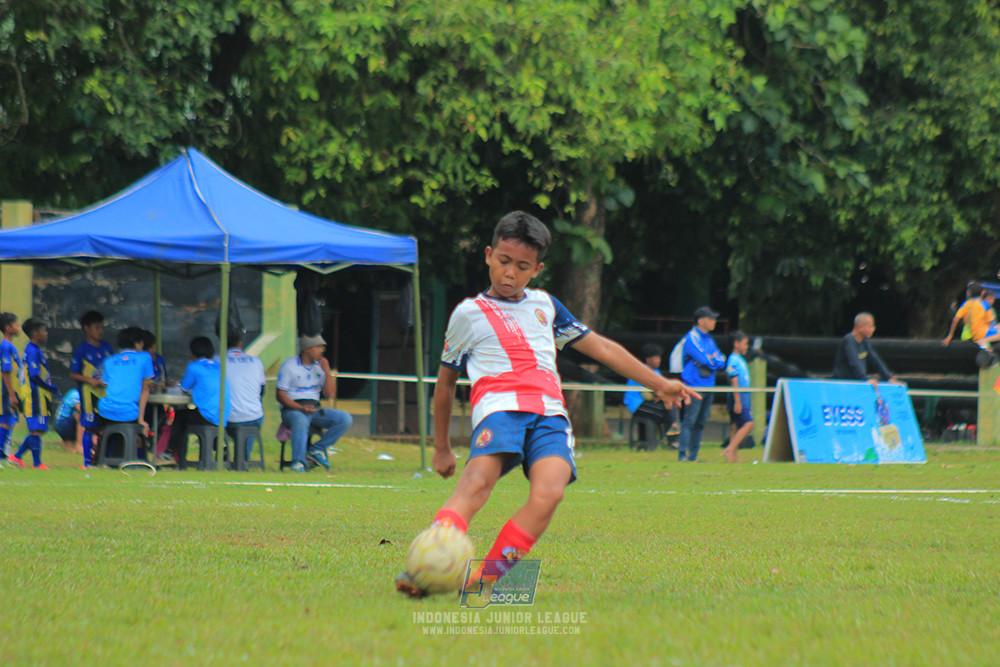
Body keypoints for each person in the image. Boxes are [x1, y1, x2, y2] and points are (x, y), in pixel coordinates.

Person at [395, 211, 698, 598]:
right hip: (500, 408)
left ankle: (481, 582)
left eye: (522, 267)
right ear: (488, 255)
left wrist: (659, 384)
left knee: (549, 493)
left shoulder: (546, 306)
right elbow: (445, 384)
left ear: (536, 270)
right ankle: (423, 568)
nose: (510, 273)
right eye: (503, 261)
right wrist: (440, 447)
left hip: (551, 415)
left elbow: (601, 348)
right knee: (477, 483)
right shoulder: (467, 314)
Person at [276, 334, 352, 472]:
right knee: (301, 421)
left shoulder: (320, 367)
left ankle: (318, 449)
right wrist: (300, 408)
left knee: (344, 419)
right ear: (307, 349)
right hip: (293, 409)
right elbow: (280, 395)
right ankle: (298, 462)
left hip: (314, 408)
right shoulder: (289, 366)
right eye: (318, 347)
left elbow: (330, 394)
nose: (321, 350)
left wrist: (327, 372)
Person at [165, 337, 230, 469]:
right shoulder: (219, 365)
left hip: (207, 415)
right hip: (223, 415)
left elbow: (183, 389)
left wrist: (168, 387)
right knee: (201, 421)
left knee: (181, 416)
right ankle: (219, 445)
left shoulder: (194, 366)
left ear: (193, 353)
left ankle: (170, 453)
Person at [93, 326, 155, 465]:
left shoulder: (110, 361)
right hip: (129, 412)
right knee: (129, 424)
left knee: (112, 427)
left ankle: (101, 459)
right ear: (138, 343)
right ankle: (125, 460)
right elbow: (145, 389)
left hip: (105, 410)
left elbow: (105, 384)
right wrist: (141, 419)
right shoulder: (144, 357)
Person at [676, 306, 726, 462]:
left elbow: (721, 360)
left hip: (708, 385)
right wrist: (710, 360)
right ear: (701, 321)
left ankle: (694, 456)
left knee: (701, 422)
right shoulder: (692, 338)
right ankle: (682, 454)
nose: (714, 322)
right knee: (689, 421)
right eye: (711, 319)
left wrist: (709, 360)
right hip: (694, 387)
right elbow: (704, 359)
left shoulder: (709, 339)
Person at [9, 319, 58, 469]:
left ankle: (16, 457)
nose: (46, 333)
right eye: (44, 330)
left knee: (39, 429)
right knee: (36, 429)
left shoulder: (33, 349)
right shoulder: (33, 351)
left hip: (37, 395)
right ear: (35, 333)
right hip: (34, 395)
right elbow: (35, 376)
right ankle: (37, 463)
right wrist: (50, 387)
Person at [69, 310, 114, 468]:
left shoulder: (107, 348)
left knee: (107, 426)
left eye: (102, 327)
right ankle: (87, 462)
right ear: (86, 328)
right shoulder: (82, 349)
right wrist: (90, 380)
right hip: (89, 394)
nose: (100, 331)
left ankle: (104, 459)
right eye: (97, 327)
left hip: (106, 394)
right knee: (89, 426)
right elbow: (73, 374)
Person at [223, 329, 267, 461]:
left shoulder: (218, 361)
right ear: (240, 344)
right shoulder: (256, 361)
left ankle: (222, 447)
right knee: (250, 423)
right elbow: (262, 391)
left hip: (228, 418)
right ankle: (243, 460)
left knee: (213, 419)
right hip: (254, 416)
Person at [622, 343, 680, 439]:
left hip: (650, 402)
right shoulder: (640, 370)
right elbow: (649, 390)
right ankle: (669, 439)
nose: (659, 360)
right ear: (648, 360)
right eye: (656, 358)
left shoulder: (656, 372)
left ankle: (671, 437)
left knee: (669, 408)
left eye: (659, 357)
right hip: (637, 404)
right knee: (665, 413)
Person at [832, 312, 903, 385]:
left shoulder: (864, 341)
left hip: (857, 383)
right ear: (860, 327)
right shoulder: (849, 341)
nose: (873, 329)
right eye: (870, 326)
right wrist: (864, 379)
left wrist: (889, 378)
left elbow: (875, 360)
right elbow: (854, 363)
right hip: (844, 383)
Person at [722, 331, 753, 464]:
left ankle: (732, 457)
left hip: (743, 396)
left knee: (736, 426)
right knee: (749, 424)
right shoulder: (733, 359)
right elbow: (734, 379)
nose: (746, 347)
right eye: (745, 344)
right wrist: (738, 401)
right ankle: (730, 448)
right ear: (736, 343)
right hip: (738, 397)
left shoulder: (739, 359)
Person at [942, 283, 1000, 349]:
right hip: (982, 334)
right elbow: (991, 323)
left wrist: (950, 335)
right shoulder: (984, 304)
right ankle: (984, 341)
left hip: (970, 334)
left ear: (969, 293)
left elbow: (955, 319)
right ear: (982, 293)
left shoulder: (966, 304)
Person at [0, 312, 22, 462]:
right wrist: (12, 394)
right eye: (16, 324)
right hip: (6, 392)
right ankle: (1, 456)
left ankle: (5, 455)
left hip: (11, 391)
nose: (19, 327)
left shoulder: (9, 346)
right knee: (5, 421)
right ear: (8, 328)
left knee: (10, 420)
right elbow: (5, 371)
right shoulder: (5, 347)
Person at [54, 388, 82, 454]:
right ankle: (79, 445)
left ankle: (67, 443)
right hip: (62, 424)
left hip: (66, 424)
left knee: (70, 449)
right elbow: (81, 409)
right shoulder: (76, 394)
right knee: (81, 417)